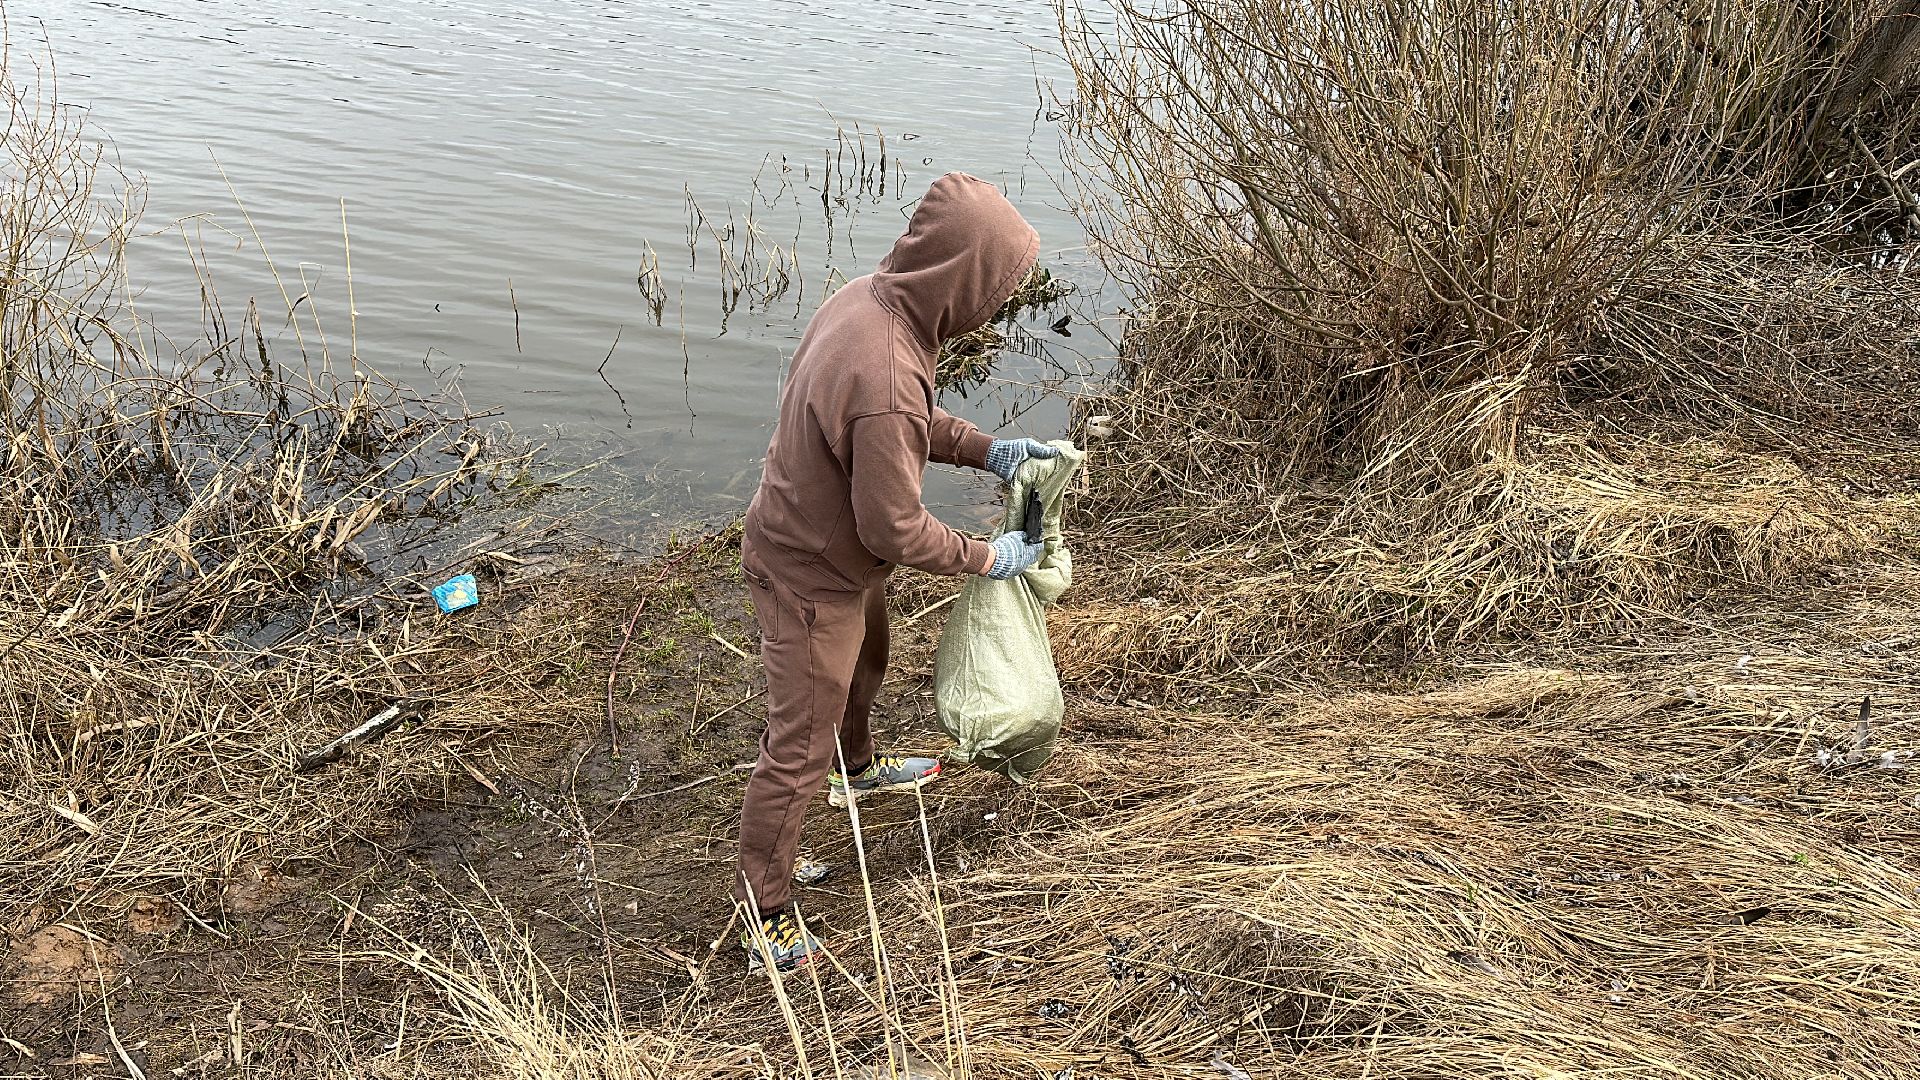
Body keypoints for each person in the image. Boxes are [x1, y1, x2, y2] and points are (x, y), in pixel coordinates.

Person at [733, 172, 1057, 971]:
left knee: (864, 666)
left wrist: (986, 449)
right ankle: (761, 909)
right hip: (808, 573)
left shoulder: (873, 301)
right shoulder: (883, 365)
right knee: (797, 746)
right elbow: (894, 525)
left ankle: (857, 768)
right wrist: (989, 558)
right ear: (962, 279)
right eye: (996, 288)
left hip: (836, 552)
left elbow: (904, 421)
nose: (998, 306)